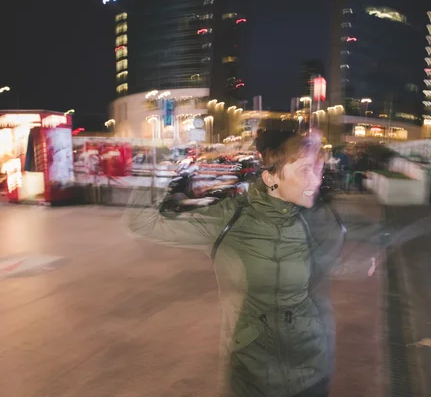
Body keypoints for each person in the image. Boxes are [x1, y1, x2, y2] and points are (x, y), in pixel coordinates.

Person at [124, 130, 349, 397]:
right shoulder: (230, 219)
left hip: (310, 374)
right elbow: (143, 223)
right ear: (271, 177)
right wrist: (158, 167)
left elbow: (321, 293)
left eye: (318, 169)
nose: (316, 180)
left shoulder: (315, 220)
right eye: (304, 170)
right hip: (252, 376)